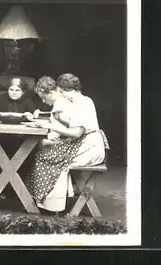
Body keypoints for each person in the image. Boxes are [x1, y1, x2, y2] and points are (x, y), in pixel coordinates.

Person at [24, 75, 109, 214]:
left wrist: (49, 125)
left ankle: (52, 204)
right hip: (85, 142)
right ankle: (49, 201)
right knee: (46, 153)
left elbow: (77, 133)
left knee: (46, 157)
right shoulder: (82, 101)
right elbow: (76, 126)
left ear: (71, 90)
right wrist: (60, 119)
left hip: (90, 147)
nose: (61, 95)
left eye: (62, 92)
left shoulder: (82, 103)